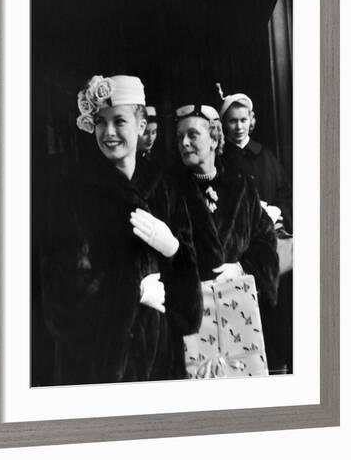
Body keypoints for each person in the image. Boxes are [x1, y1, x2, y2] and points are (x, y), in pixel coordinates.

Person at [41, 75, 202, 385]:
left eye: (119, 120)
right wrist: (133, 290)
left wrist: (176, 252)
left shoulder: (166, 189)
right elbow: (59, 306)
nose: (109, 132)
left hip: (161, 366)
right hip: (97, 369)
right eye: (101, 122)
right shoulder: (72, 194)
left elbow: (190, 313)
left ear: (142, 125)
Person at [173, 103, 280, 378]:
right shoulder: (170, 192)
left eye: (193, 135)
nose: (184, 143)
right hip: (194, 319)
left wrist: (243, 268)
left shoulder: (243, 186)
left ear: (214, 137)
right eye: (179, 137)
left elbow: (266, 241)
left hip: (243, 313)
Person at [218, 87, 292, 233]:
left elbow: (285, 193)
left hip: (270, 230)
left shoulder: (266, 155)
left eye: (243, 120)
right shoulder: (220, 158)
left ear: (251, 121)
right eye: (233, 121)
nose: (239, 127)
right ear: (225, 123)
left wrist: (275, 210)